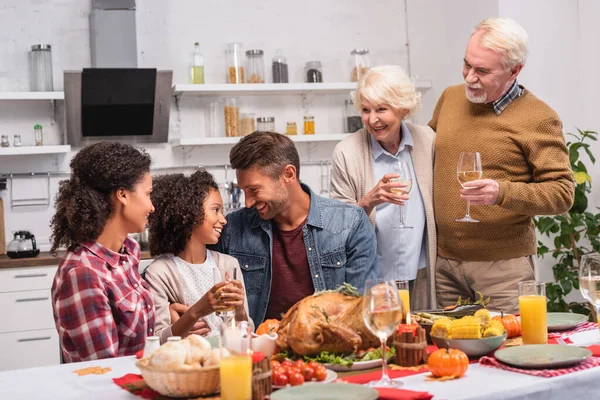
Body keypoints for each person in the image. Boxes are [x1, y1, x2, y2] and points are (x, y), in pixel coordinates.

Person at [429, 17, 574, 312]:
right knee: (451, 355)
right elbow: (424, 153)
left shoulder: (539, 118)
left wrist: (502, 192)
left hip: (503, 271)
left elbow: (562, 193)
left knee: (510, 354)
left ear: (514, 70)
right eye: (467, 64)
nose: (469, 77)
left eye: (482, 71)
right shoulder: (449, 98)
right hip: (444, 266)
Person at [213, 131, 379, 326]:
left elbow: (361, 310)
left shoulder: (351, 223)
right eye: (244, 191)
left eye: (254, 190)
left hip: (328, 349)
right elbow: (196, 275)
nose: (248, 202)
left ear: (288, 174)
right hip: (256, 351)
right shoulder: (233, 228)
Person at [330, 65, 436, 311]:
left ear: (403, 109)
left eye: (381, 109)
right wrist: (368, 201)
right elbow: (336, 228)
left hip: (421, 274)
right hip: (372, 279)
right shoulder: (346, 152)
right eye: (366, 110)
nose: (372, 119)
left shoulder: (427, 140)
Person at [50, 142, 155, 362]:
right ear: (123, 195)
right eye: (147, 194)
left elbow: (139, 343)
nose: (151, 206)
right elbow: (105, 371)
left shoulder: (127, 252)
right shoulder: (82, 273)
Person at [143, 169, 251, 344]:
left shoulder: (228, 264)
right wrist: (197, 311)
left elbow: (247, 334)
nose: (223, 220)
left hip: (228, 360)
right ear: (189, 214)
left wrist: (239, 310)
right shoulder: (159, 272)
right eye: (215, 210)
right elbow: (158, 340)